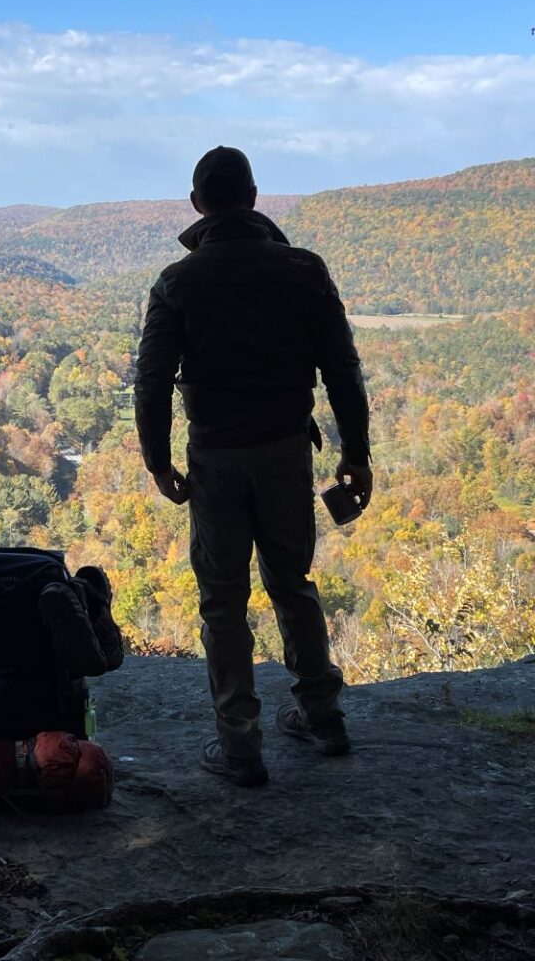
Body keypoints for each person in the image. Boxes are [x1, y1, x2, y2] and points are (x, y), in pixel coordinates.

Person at [134, 146, 372, 787]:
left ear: (197, 204)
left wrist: (158, 461)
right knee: (292, 583)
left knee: (222, 601)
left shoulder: (178, 282)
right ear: (255, 195)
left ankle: (241, 746)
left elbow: (152, 381)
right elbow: (342, 372)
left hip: (216, 459)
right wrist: (356, 454)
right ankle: (322, 718)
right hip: (286, 452)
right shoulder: (304, 271)